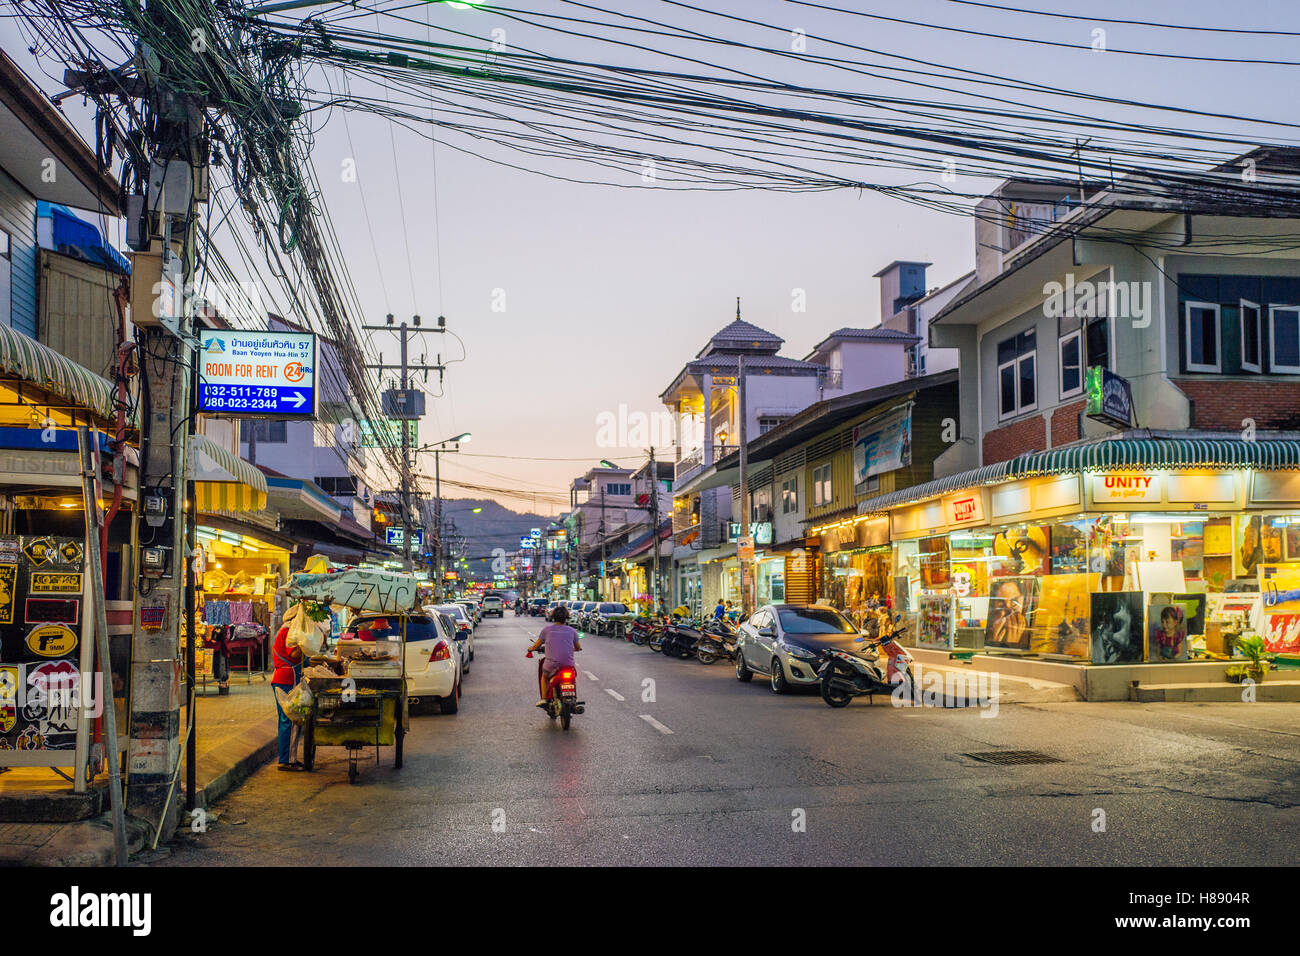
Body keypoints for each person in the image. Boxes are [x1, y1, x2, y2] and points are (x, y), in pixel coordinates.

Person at [272, 605, 306, 770]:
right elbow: (293, 654)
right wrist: (305, 645)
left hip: (285, 678)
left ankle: (289, 758)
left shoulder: (288, 630)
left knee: (289, 720)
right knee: (289, 720)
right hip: (286, 679)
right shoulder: (287, 631)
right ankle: (286, 761)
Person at [526, 605, 581, 706]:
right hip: (568, 664)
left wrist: (530, 649)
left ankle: (544, 699)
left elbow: (536, 645)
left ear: (553, 617)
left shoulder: (547, 630)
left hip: (551, 665)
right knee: (572, 678)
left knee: (545, 676)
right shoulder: (572, 631)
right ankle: (573, 697)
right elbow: (578, 647)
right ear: (566, 618)